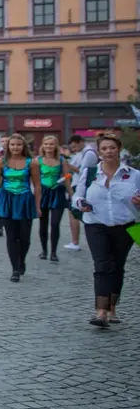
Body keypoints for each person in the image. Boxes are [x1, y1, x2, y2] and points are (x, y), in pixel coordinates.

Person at [73, 133, 139, 328]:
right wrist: (80, 203)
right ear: (99, 152)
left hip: (125, 225)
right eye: (104, 149)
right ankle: (100, 312)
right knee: (102, 266)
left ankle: (112, 309)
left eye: (112, 148)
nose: (108, 151)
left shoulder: (134, 175)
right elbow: (77, 195)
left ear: (119, 149)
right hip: (95, 223)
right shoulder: (91, 172)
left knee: (117, 266)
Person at [0, 133, 41, 282]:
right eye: (12, 145)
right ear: (8, 146)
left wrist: (37, 206)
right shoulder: (1, 162)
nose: (15, 147)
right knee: (11, 236)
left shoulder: (32, 163)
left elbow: (37, 185)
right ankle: (15, 269)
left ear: (23, 146)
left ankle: (21, 259)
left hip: (25, 200)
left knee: (25, 237)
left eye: (18, 144)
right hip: (7, 200)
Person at [37, 135, 73, 262]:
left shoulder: (61, 159)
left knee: (55, 224)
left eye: (51, 144)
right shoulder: (38, 160)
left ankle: (53, 252)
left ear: (56, 146)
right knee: (43, 224)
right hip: (43, 193)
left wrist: (71, 194)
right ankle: (44, 250)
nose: (48, 146)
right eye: (46, 144)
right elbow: (34, 179)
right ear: (43, 145)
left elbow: (66, 177)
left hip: (57, 193)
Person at [66, 134, 98, 251]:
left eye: (74, 147)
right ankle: (75, 241)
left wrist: (67, 165)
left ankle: (76, 242)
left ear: (80, 142)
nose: (74, 149)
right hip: (77, 185)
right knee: (74, 213)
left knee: (76, 213)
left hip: (81, 187)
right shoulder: (80, 153)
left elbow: (83, 172)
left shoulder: (88, 153)